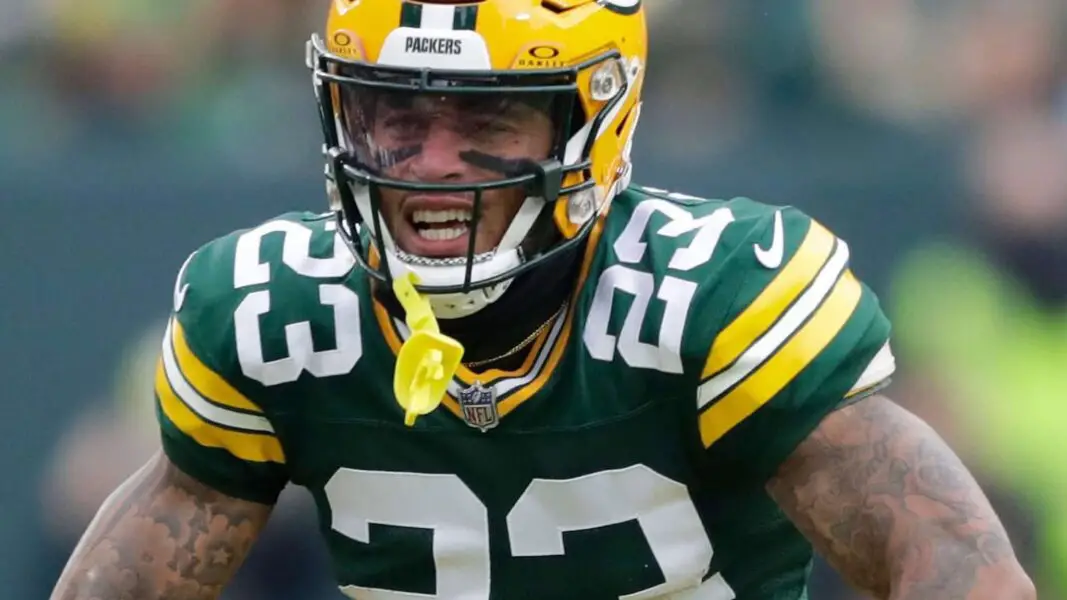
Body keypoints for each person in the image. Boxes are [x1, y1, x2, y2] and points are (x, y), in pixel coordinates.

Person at [51, 1, 1035, 598]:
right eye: (395, 111)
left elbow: (963, 570)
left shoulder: (712, 298)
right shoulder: (278, 315)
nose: (431, 166)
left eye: (487, 115)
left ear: (591, 123)